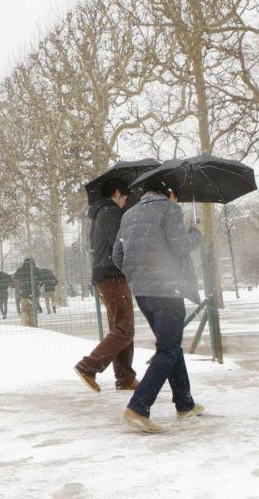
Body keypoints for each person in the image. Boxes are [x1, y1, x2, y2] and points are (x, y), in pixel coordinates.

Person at [112, 181, 204, 433]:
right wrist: (195, 232)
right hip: (166, 290)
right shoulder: (170, 210)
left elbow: (117, 256)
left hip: (142, 293)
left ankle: (184, 403)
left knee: (171, 346)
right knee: (167, 349)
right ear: (169, 192)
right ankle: (138, 407)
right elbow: (180, 246)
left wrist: (137, 275)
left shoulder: (129, 213)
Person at [73, 177, 138, 392]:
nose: (126, 201)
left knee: (120, 327)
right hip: (112, 275)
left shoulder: (102, 212)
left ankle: (125, 378)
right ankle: (88, 367)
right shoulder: (110, 212)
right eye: (125, 197)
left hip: (108, 274)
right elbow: (120, 244)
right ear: (117, 193)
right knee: (125, 328)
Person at [12, 257, 40, 326]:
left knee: (24, 310)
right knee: (33, 311)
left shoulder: (20, 270)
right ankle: (32, 324)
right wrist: (38, 285)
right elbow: (40, 279)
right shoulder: (36, 270)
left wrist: (19, 287)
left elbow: (15, 279)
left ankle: (25, 323)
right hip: (34, 293)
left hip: (23, 293)